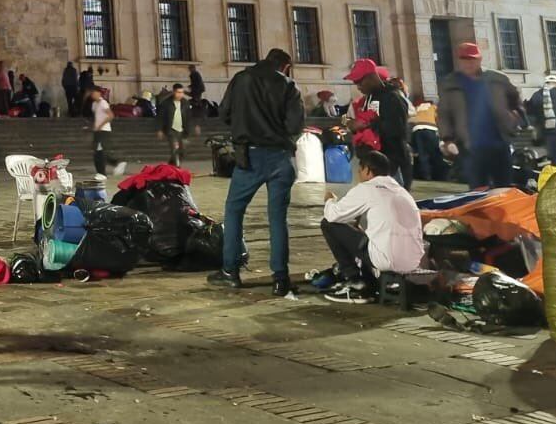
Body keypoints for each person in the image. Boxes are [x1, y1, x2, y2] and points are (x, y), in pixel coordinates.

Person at [214, 48, 302, 296]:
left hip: (249, 156)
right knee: (278, 218)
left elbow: (224, 113)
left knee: (234, 211)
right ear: (285, 66)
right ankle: (280, 278)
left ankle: (230, 271)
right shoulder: (288, 85)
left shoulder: (241, 79)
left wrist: (245, 125)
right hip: (280, 157)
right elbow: (295, 124)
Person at [318, 150, 425, 303]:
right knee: (366, 235)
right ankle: (368, 280)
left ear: (368, 170)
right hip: (413, 259)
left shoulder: (367, 188)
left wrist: (330, 200)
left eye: (360, 170)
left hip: (386, 258)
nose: (358, 175)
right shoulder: (402, 192)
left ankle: (355, 281)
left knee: (328, 224)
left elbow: (333, 215)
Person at [437, 42, 517, 189]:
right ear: (459, 61)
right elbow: (444, 113)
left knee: (504, 189)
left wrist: (513, 120)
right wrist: (448, 139)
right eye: (464, 59)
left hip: (500, 143)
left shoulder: (497, 79)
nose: (468, 63)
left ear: (479, 59)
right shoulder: (450, 83)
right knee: (478, 190)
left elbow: (515, 101)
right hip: (471, 147)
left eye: (472, 59)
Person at [345, 59, 412, 187]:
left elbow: (397, 129)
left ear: (371, 77)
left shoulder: (393, 98)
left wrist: (366, 125)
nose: (358, 87)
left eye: (359, 82)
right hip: (375, 163)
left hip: (392, 162)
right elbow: (349, 118)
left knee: (394, 196)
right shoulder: (368, 98)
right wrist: (352, 124)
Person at [87, 84, 126, 181]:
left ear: (98, 93)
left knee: (99, 151)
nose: (92, 95)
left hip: (104, 130)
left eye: (93, 93)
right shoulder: (94, 104)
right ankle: (116, 163)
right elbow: (96, 117)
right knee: (98, 152)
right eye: (91, 93)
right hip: (97, 131)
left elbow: (111, 115)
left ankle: (102, 173)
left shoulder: (103, 103)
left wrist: (100, 125)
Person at [409, 90, 445, 181]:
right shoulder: (434, 107)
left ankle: (426, 176)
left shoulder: (418, 107)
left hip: (417, 129)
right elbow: (439, 119)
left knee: (422, 155)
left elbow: (411, 118)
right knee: (435, 153)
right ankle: (438, 176)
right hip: (431, 129)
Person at [156, 83, 195, 166]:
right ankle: (177, 167)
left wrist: (190, 129)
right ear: (174, 92)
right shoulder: (166, 103)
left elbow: (189, 117)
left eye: (182, 92)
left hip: (182, 130)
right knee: (174, 149)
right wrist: (159, 129)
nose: (180, 94)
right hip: (171, 130)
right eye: (178, 92)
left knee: (183, 151)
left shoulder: (185, 103)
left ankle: (170, 165)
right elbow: (160, 117)